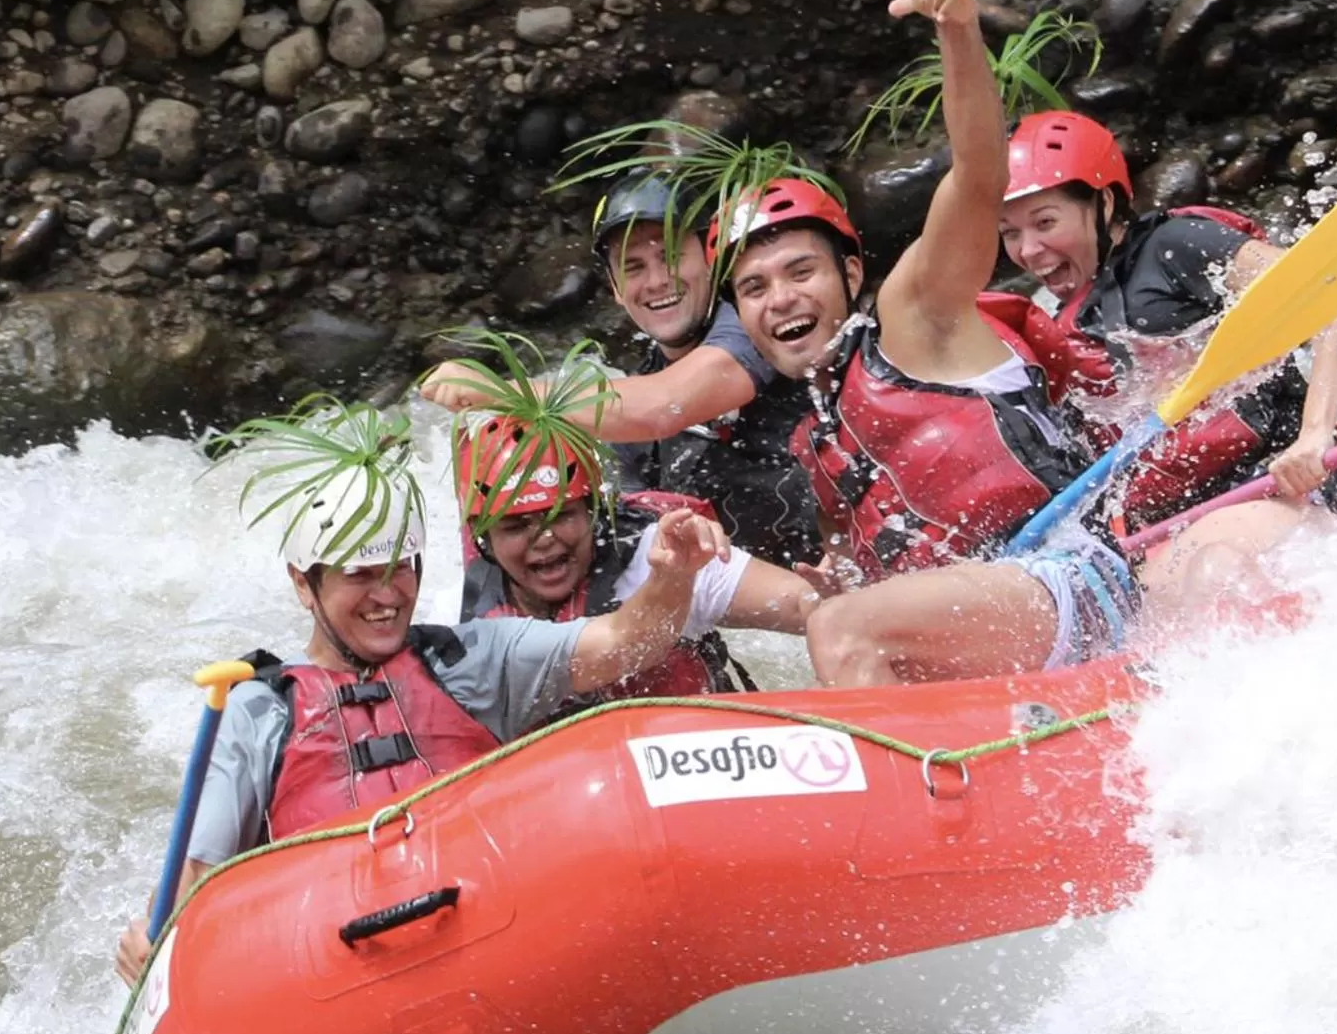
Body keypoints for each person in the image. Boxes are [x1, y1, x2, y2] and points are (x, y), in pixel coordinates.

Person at [114, 455, 727, 985]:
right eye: (359, 576)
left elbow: (624, 641)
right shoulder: (257, 709)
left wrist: (672, 575)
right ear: (305, 584)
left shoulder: (476, 659)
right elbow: (196, 880)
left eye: (400, 568)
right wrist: (151, 933)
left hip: (499, 935)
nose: (387, 596)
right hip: (337, 974)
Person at [713, 0, 1131, 688]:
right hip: (992, 638)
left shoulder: (913, 315)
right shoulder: (822, 438)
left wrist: (960, 32)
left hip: (1071, 579)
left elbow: (977, 176)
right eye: (754, 288)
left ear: (849, 273)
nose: (781, 300)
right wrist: (840, 571)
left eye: (799, 271)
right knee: (833, 612)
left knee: (841, 629)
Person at [996, 109, 1337, 566]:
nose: (1027, 250)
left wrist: (1314, 436)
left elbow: (1333, 292)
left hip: (1278, 483)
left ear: (1104, 203)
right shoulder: (1065, 323)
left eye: (1045, 223)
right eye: (1009, 233)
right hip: (1173, 524)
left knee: (1215, 571)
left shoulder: (1175, 246)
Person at [421, 174, 821, 567]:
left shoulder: (759, 325)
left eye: (669, 256)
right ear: (614, 287)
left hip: (841, 576)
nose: (657, 281)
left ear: (710, 258)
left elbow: (667, 405)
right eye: (633, 267)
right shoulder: (631, 407)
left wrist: (507, 393)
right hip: (762, 606)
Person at [454, 414, 822, 699]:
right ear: (483, 538)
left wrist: (835, 602)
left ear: (594, 513)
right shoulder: (479, 605)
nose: (544, 539)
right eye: (517, 527)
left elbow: (804, 607)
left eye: (562, 515)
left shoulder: (665, 554)